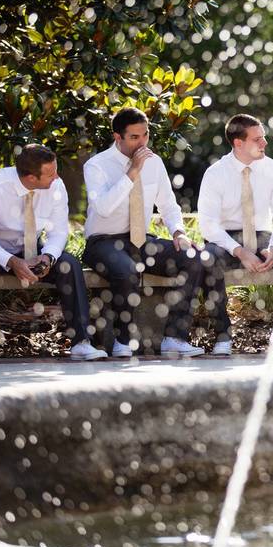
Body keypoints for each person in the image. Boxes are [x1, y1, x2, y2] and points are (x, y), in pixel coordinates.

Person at [83, 107, 206, 358]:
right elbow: (104, 208)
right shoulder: (96, 166)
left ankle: (174, 338)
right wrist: (132, 172)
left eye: (145, 135)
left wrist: (179, 232)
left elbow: (168, 204)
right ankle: (123, 341)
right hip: (103, 242)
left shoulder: (155, 163)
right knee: (127, 270)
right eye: (134, 137)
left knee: (192, 258)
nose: (142, 143)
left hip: (140, 240)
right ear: (117, 137)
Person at [0, 144, 106, 364]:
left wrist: (48, 257)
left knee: (69, 264)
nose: (57, 176)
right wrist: (11, 261)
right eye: (50, 173)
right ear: (31, 178)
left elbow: (59, 232)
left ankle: (81, 342)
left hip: (33, 248)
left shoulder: (56, 186)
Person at [198, 114, 273, 356]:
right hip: (226, 241)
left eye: (264, 137)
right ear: (238, 143)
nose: (264, 143)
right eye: (258, 139)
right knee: (207, 258)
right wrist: (240, 251)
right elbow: (208, 224)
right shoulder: (215, 173)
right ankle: (222, 336)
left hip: (264, 238)